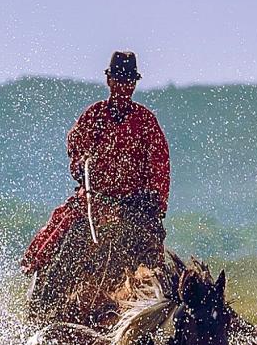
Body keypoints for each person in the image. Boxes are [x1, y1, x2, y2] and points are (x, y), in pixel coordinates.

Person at [21, 50, 170, 277]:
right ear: (109, 81)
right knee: (63, 248)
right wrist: (80, 166)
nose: (124, 87)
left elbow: (160, 166)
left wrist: (154, 199)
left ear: (134, 84)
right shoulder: (94, 115)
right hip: (94, 203)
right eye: (119, 80)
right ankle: (47, 292)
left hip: (133, 209)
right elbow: (75, 146)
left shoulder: (146, 122)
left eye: (129, 81)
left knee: (156, 267)